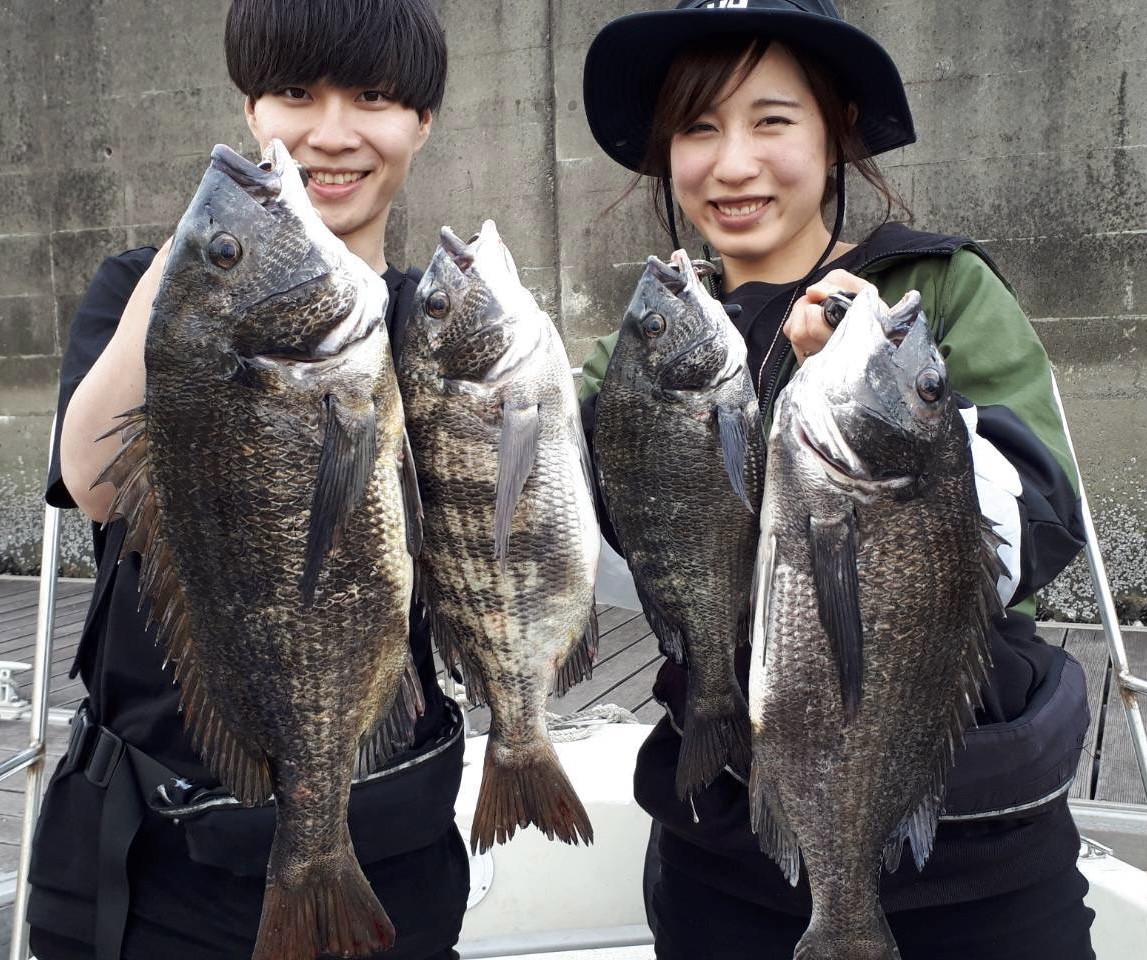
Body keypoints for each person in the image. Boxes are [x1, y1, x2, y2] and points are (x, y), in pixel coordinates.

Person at [579, 2, 1093, 958]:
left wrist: (873, 399)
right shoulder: (646, 350)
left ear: (836, 130)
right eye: (697, 127)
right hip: (720, 838)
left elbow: (1045, 512)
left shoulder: (932, 294)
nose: (732, 164)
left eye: (772, 120)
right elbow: (564, 516)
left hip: (973, 845)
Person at [30, 2, 468, 958]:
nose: (332, 132)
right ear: (250, 111)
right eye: (295, 96)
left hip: (391, 842)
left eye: (376, 98)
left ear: (423, 120)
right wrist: (208, 261)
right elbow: (96, 480)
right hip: (153, 865)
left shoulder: (445, 331)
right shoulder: (148, 291)